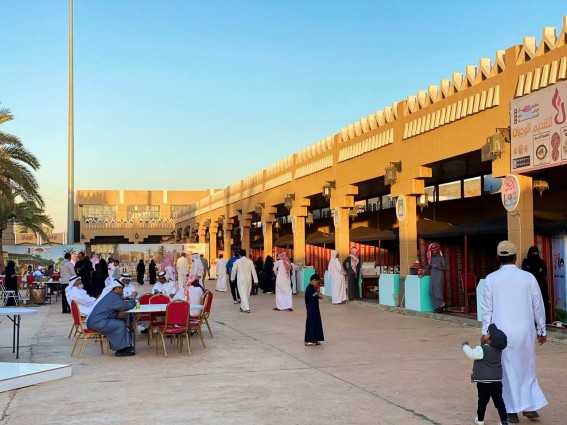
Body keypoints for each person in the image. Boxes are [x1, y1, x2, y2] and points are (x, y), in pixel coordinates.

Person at [480, 240, 548, 423]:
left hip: (501, 333)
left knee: (507, 371)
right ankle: (529, 406)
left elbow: (487, 310)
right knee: (527, 367)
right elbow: (538, 306)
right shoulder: (528, 278)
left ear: (498, 258)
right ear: (516, 257)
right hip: (525, 331)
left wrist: (486, 332)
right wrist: (542, 329)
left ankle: (511, 410)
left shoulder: (491, 279)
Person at [462, 323, 509, 425]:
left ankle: (480, 419)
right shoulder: (498, 350)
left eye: (488, 333)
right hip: (496, 381)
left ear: (489, 340)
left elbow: (471, 354)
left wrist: (465, 345)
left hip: (484, 382)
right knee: (499, 401)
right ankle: (504, 421)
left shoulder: (482, 349)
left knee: (483, 401)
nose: (486, 333)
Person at [86, 280, 138, 357]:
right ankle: (120, 350)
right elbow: (126, 306)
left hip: (97, 321)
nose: (122, 291)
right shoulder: (113, 297)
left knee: (120, 323)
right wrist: (133, 297)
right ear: (116, 288)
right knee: (119, 325)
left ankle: (123, 346)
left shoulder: (111, 295)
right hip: (98, 322)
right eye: (121, 289)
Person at [521, 246, 551, 324]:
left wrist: (532, 270)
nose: (534, 254)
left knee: (542, 303)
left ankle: (544, 322)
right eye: (533, 253)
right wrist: (538, 271)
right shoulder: (525, 261)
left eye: (536, 253)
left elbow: (544, 272)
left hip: (541, 286)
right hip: (529, 287)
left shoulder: (541, 262)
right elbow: (525, 271)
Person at [230, 249, 258, 313]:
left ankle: (247, 308)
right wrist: (256, 280)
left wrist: (232, 278)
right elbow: (253, 271)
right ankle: (242, 307)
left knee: (243, 294)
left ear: (240, 255)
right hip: (248, 280)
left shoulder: (237, 261)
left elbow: (233, 270)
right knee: (246, 293)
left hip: (241, 280)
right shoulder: (250, 261)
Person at [423, 242, 447, 313]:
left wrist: (437, 266)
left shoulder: (441, 258)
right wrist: (423, 274)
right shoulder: (432, 259)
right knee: (431, 292)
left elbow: (445, 267)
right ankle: (438, 306)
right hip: (433, 276)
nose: (433, 252)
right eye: (432, 251)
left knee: (438, 292)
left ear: (438, 250)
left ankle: (442, 305)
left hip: (439, 276)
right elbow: (428, 267)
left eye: (435, 250)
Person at [304, 274, 324, 346]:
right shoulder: (309, 288)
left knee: (316, 324)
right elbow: (311, 298)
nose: (317, 284)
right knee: (311, 324)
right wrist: (317, 295)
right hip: (311, 310)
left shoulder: (312, 288)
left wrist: (317, 294)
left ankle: (315, 339)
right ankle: (309, 340)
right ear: (313, 280)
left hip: (315, 309)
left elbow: (314, 295)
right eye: (317, 282)